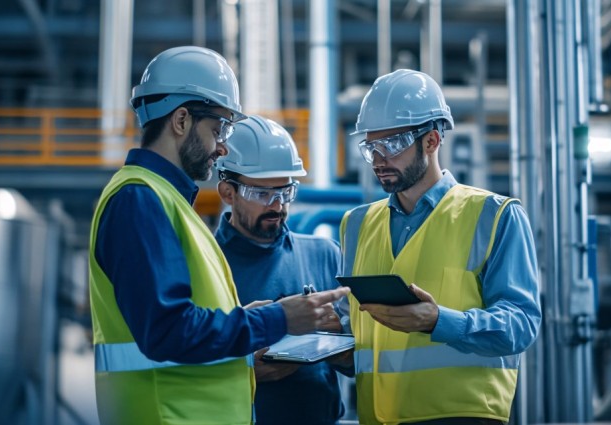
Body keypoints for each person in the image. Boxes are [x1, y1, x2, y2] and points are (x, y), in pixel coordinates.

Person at [88, 46, 349, 425]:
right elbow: (167, 331)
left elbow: (173, 322)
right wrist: (277, 319)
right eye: (219, 129)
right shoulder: (139, 200)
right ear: (180, 120)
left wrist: (245, 318)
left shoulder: (166, 202)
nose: (223, 146)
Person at [338, 69, 542, 425]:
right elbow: (354, 326)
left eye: (392, 144)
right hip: (375, 416)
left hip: (463, 415)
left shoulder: (494, 215)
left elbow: (521, 324)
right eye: (371, 146)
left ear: (431, 141)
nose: (378, 159)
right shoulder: (356, 224)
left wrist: (440, 321)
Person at [214, 115, 348, 425]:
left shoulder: (325, 255)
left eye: (285, 192)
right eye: (262, 194)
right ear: (227, 192)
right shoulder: (205, 262)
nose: (277, 206)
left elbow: (362, 361)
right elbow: (180, 362)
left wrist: (339, 345)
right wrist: (242, 370)